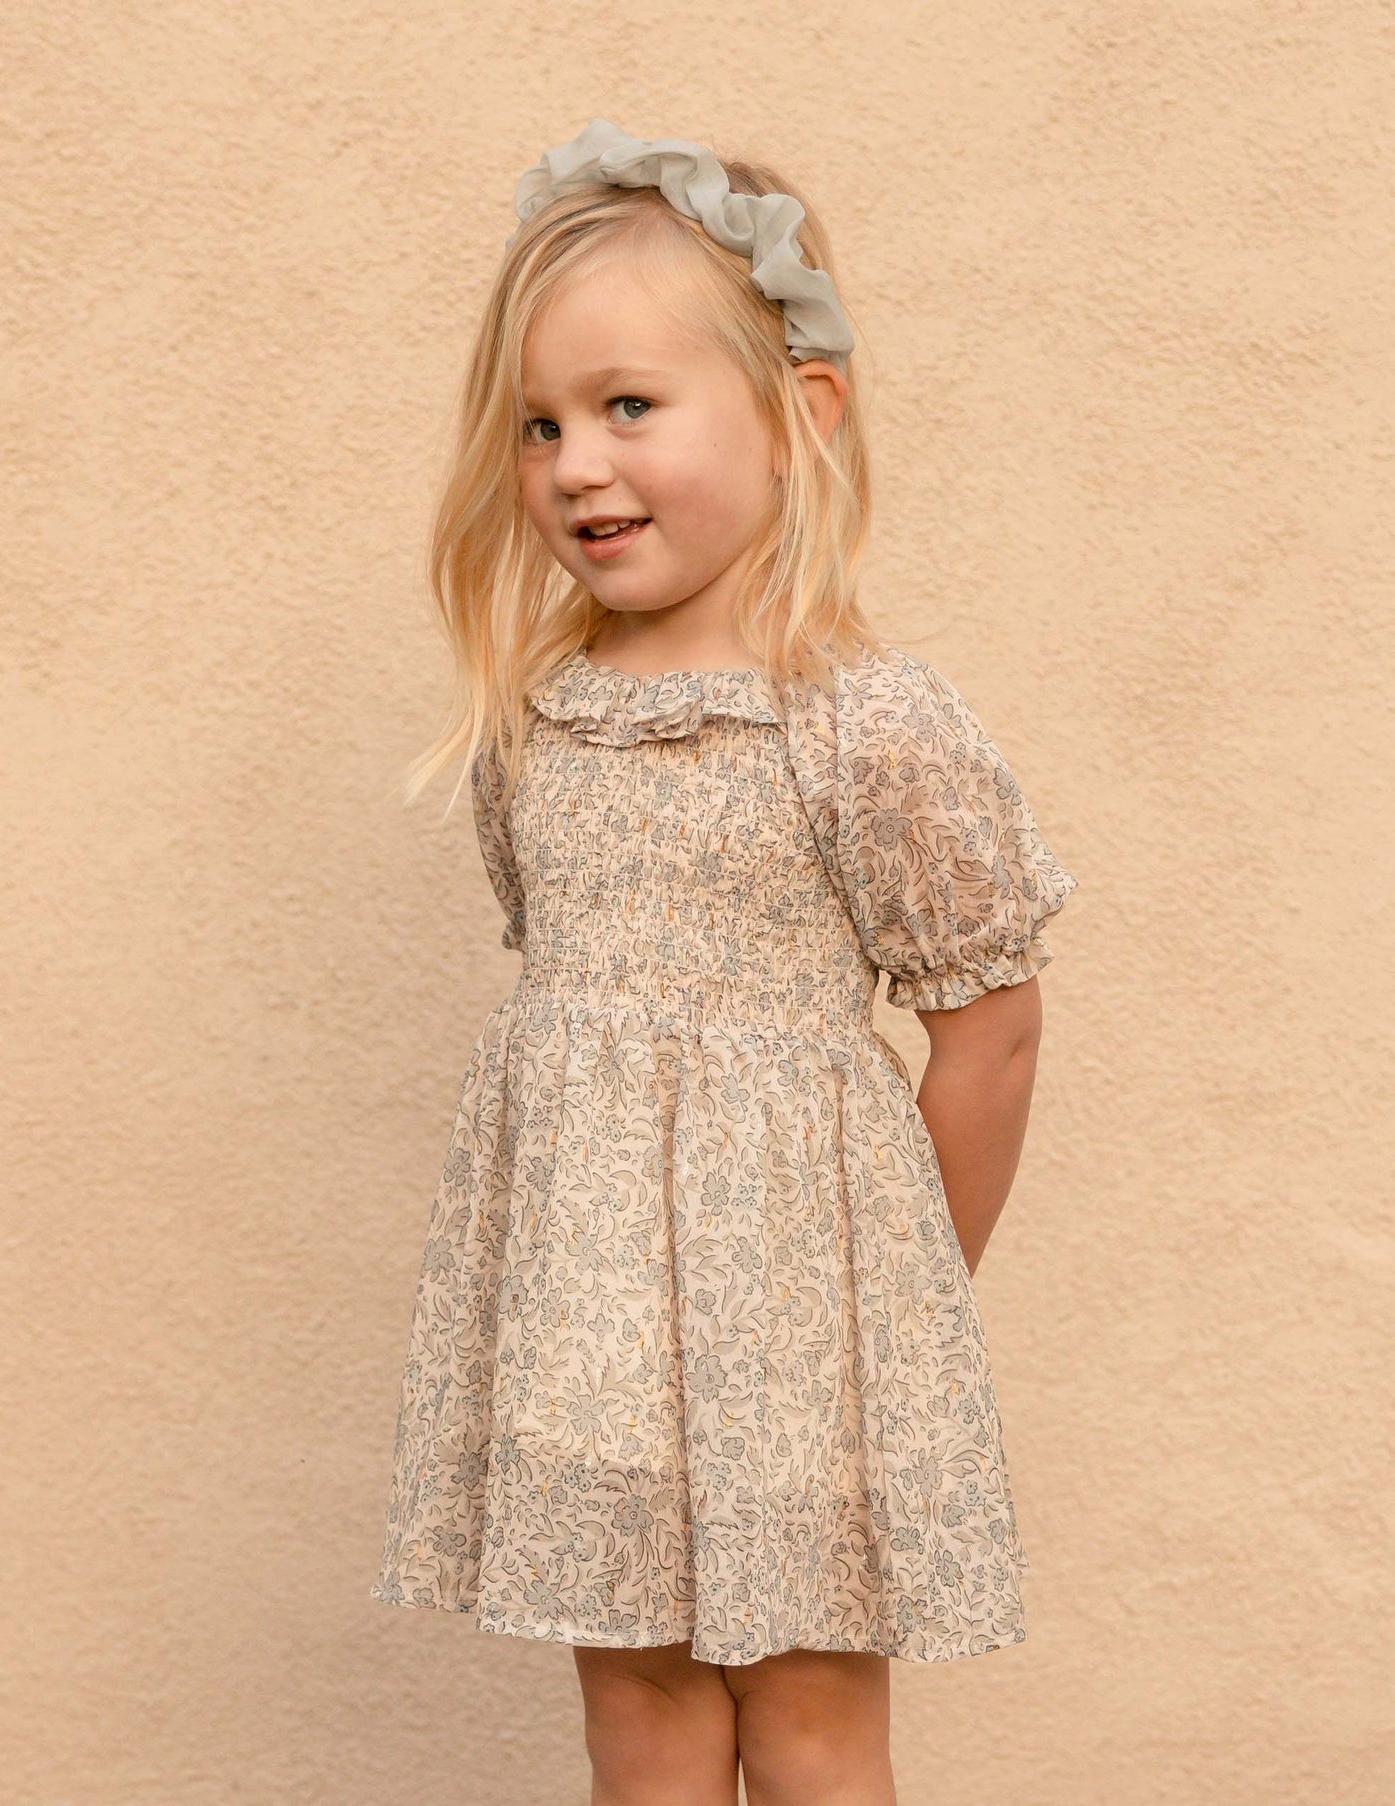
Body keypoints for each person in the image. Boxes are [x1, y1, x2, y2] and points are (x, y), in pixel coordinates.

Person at [370, 118, 1079, 1805]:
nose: (575, 465)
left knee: (812, 1717)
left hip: (803, 1350)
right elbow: (571, 1027)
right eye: (539, 423)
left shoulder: (863, 723)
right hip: (593, 1346)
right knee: (639, 1709)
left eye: (629, 405)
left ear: (796, 411)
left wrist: (890, 1318)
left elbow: (989, 1032)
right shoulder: (537, 727)